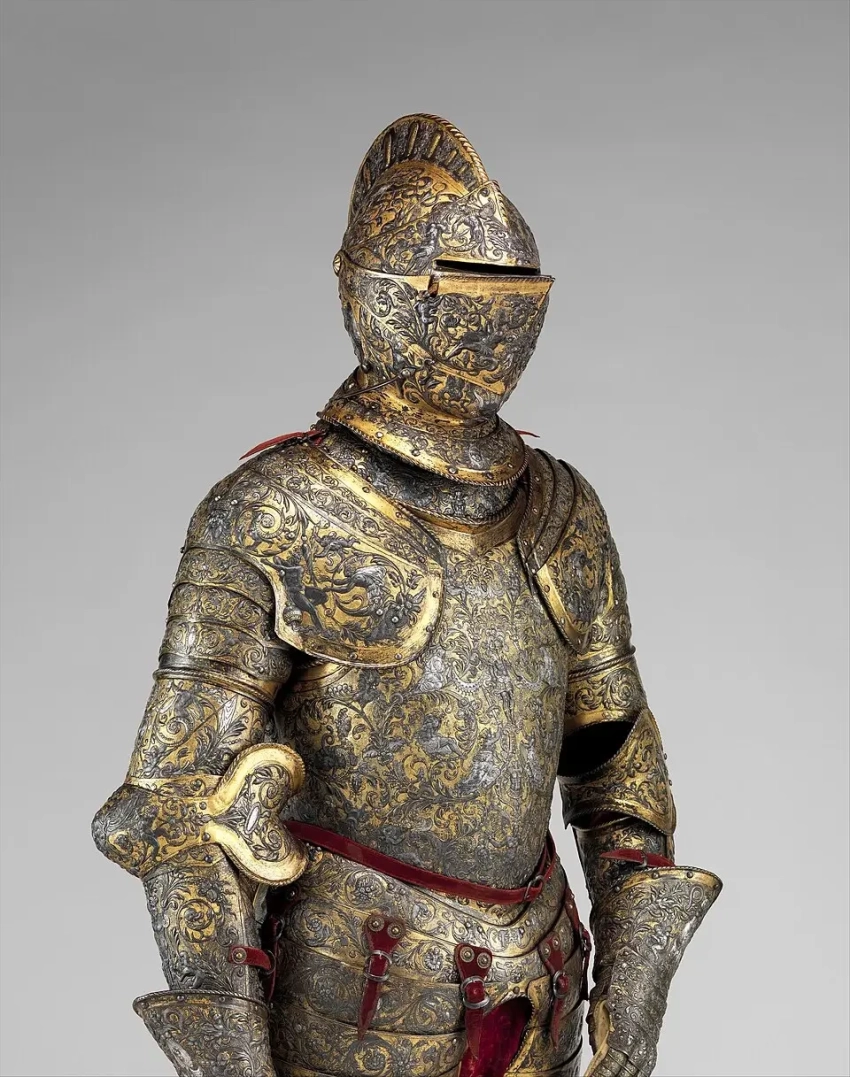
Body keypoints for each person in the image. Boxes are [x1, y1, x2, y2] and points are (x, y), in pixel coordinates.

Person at [93, 114, 721, 1077]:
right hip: (348, 996)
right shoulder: (276, 511)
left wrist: (634, 985)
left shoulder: (562, 512)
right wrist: (231, 1052)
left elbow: (617, 770)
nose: (500, 319)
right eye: (472, 287)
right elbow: (184, 808)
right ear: (386, 298)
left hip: (543, 994)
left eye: (516, 290)